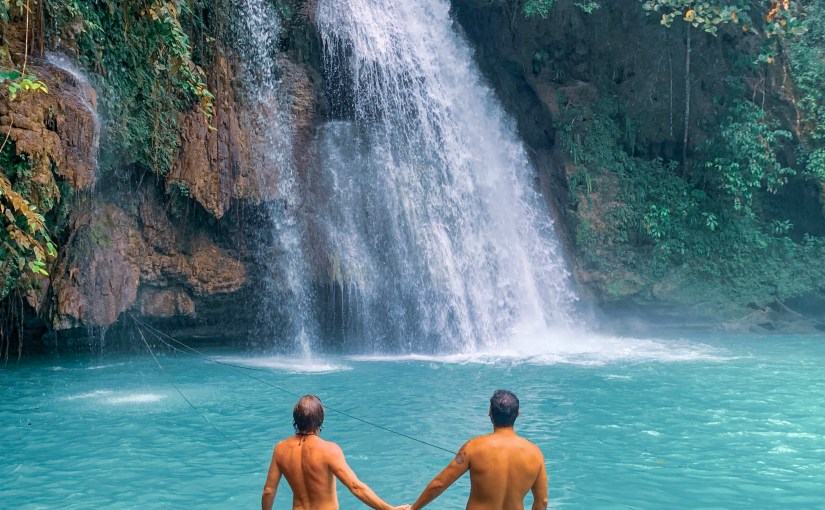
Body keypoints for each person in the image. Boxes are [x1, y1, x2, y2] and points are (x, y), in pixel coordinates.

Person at [262, 394, 409, 510]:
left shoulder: (280, 449)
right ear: (320, 419)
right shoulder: (329, 450)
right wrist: (389, 508)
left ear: (295, 419)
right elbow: (355, 487)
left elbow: (269, 490)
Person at [409, 390, 548, 510]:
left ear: (490, 413)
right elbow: (542, 502)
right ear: (517, 414)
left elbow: (439, 484)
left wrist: (414, 508)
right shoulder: (535, 453)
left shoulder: (473, 447)